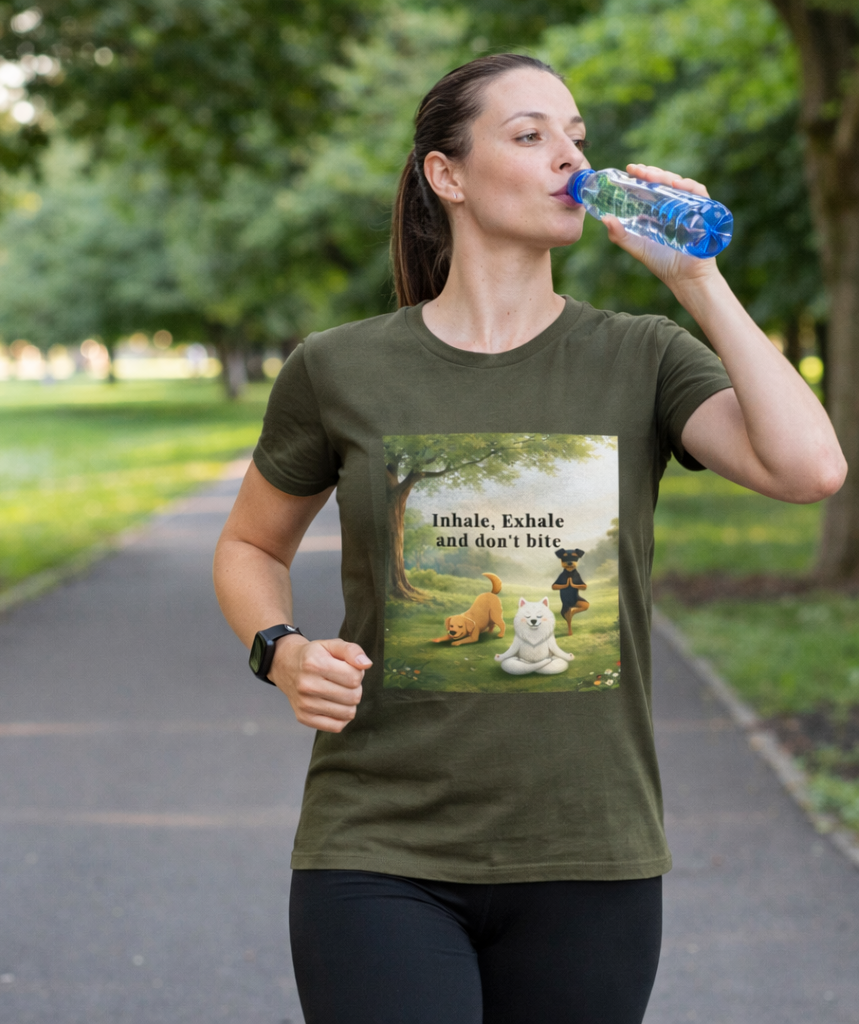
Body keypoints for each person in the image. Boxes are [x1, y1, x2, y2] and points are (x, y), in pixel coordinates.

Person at [212, 53, 846, 1024]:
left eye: (577, 136)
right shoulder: (339, 368)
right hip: (377, 848)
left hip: (590, 853)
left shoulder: (640, 356)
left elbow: (809, 471)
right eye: (530, 134)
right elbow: (251, 547)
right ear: (446, 175)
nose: (569, 157)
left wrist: (698, 281)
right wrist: (280, 650)